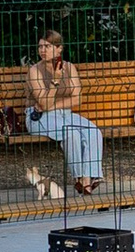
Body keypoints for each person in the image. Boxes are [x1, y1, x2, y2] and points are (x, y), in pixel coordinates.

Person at [24, 28, 105, 197]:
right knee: (71, 133)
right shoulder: (35, 71)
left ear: (59, 48)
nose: (43, 50)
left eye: (47, 46)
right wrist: (54, 81)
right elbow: (43, 103)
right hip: (39, 118)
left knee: (93, 131)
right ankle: (79, 178)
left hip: (63, 114)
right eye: (40, 47)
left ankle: (88, 179)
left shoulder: (69, 67)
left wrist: (52, 105)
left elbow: (77, 99)